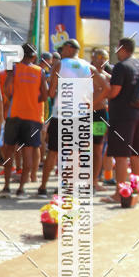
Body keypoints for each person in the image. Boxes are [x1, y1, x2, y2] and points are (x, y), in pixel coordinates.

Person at [38, 38, 92, 197]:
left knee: (53, 151)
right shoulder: (86, 66)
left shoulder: (60, 64)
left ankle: (43, 186)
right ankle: (68, 185)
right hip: (79, 114)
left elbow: (52, 92)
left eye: (62, 49)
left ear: (69, 48)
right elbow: (89, 92)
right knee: (75, 152)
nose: (61, 52)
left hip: (61, 114)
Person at [102, 37, 139, 203]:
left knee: (121, 156)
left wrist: (101, 95)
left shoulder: (121, 66)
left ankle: (120, 194)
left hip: (123, 116)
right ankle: (137, 192)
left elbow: (115, 91)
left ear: (122, 48)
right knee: (137, 155)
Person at [1, 43, 47, 197]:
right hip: (32, 117)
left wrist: (14, 98)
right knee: (28, 153)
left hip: (14, 115)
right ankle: (21, 189)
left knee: (9, 151)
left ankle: (6, 187)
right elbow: (46, 95)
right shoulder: (39, 71)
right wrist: (34, 100)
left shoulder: (14, 68)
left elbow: (6, 88)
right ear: (34, 56)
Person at [90, 48, 111, 190]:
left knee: (97, 149)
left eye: (104, 57)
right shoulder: (85, 74)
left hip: (99, 115)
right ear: (93, 58)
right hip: (83, 114)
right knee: (82, 148)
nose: (101, 60)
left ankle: (94, 180)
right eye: (99, 57)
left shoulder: (108, 78)